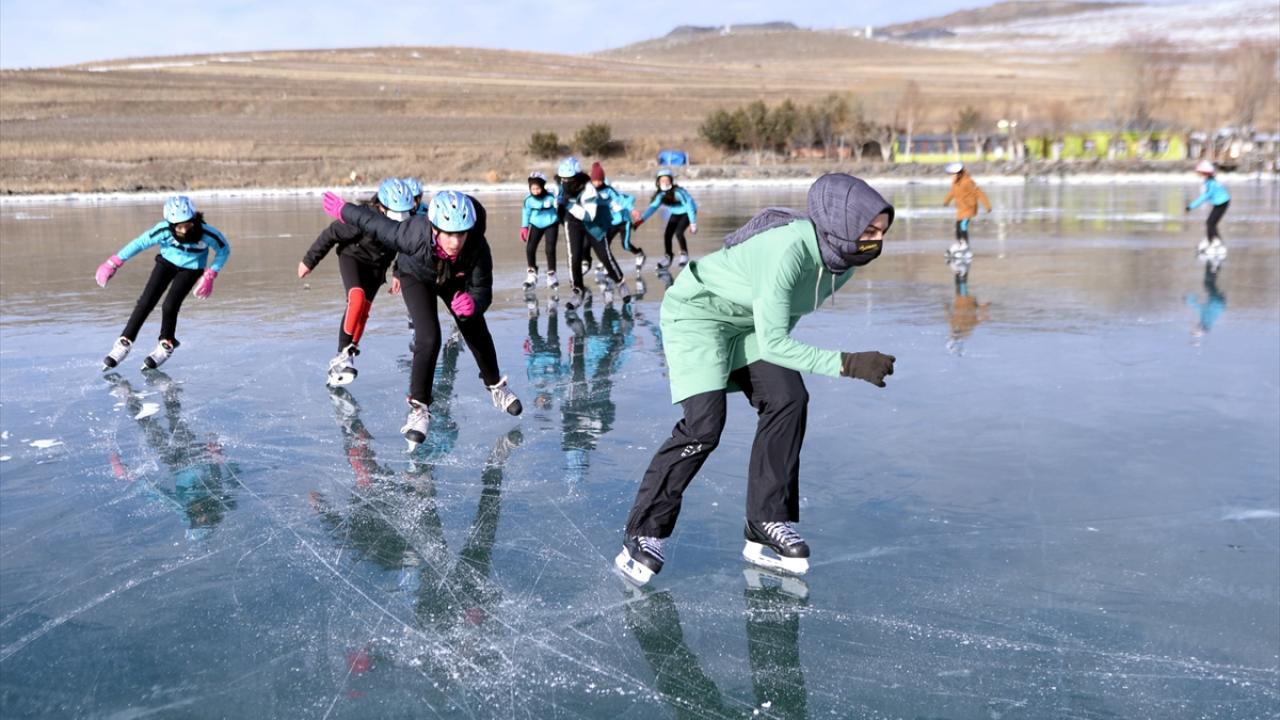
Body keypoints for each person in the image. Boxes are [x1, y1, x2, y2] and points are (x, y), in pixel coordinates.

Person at [615, 173, 897, 586]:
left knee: (788, 398)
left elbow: (782, 321)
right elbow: (777, 343)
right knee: (703, 426)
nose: (876, 240)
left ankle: (766, 520)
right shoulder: (787, 251)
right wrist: (849, 363)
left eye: (881, 232)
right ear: (842, 222)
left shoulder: (842, 263)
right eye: (869, 230)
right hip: (700, 316)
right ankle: (644, 530)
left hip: (749, 325)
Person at [321, 188, 523, 451]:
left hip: (454, 279)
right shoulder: (412, 233)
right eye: (449, 233)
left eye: (461, 233)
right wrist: (343, 210)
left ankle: (496, 386)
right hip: (416, 276)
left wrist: (474, 303)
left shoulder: (477, 247)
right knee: (429, 337)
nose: (455, 242)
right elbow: (375, 223)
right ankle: (419, 408)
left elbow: (482, 289)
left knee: (473, 324)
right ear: (435, 228)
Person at [95, 196, 231, 371]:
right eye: (178, 226)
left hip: (191, 269)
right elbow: (139, 243)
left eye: (187, 224)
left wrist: (211, 273)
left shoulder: (207, 233)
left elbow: (224, 250)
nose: (183, 230)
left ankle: (167, 343)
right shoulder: (164, 230)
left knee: (170, 305)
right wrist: (113, 263)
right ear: (170, 224)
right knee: (146, 301)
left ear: (194, 219)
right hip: (167, 264)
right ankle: (124, 342)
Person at [298, 178, 409, 386]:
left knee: (364, 310)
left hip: (378, 266)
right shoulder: (362, 218)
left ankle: (349, 354)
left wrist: (398, 272)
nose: (399, 220)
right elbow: (331, 233)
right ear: (382, 207)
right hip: (354, 258)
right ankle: (341, 352)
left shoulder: (403, 223)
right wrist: (309, 261)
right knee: (356, 299)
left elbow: (405, 247)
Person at [555, 157, 628, 309]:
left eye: (569, 179)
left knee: (604, 256)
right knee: (573, 256)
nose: (566, 183)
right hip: (573, 222)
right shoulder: (561, 185)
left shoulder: (588, 189)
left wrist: (568, 204)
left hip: (593, 223)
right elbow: (560, 209)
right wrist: (562, 215)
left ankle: (620, 282)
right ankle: (577, 290)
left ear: (577, 177)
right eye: (563, 179)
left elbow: (589, 215)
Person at [633, 168, 697, 268]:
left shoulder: (678, 192)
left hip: (687, 212)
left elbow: (689, 206)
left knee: (679, 232)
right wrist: (641, 220)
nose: (665, 182)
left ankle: (684, 254)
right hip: (676, 213)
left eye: (667, 180)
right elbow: (652, 209)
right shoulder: (660, 195)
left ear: (671, 181)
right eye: (662, 180)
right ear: (658, 182)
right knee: (667, 234)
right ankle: (668, 257)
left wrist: (692, 223)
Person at [589, 162, 646, 272]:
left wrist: (632, 209)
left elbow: (626, 199)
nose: (597, 184)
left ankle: (639, 253)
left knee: (625, 245)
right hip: (611, 223)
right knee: (605, 244)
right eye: (595, 181)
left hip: (624, 222)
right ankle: (605, 261)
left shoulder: (611, 192)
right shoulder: (591, 191)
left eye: (600, 181)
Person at [520, 171, 560, 291]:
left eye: (538, 188)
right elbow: (526, 213)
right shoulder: (528, 200)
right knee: (530, 248)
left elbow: (559, 209)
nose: (536, 191)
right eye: (533, 189)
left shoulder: (551, 197)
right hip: (536, 224)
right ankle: (532, 273)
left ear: (542, 187)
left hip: (551, 223)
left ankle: (552, 275)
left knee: (550, 249)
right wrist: (524, 227)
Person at [941, 162, 990, 256]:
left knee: (963, 225)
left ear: (959, 174)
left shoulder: (968, 182)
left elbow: (979, 193)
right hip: (961, 209)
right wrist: (946, 201)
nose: (951, 177)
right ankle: (959, 243)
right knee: (957, 226)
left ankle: (965, 245)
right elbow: (952, 193)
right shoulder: (955, 183)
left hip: (969, 208)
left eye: (953, 175)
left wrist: (987, 205)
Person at [1186, 159, 1231, 256]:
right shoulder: (1209, 181)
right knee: (1211, 223)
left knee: (1210, 223)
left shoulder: (1211, 183)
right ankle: (1212, 239)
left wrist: (1191, 206)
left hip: (1222, 203)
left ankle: (1215, 242)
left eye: (1202, 173)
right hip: (1220, 203)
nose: (1200, 175)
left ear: (1206, 173)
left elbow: (1205, 196)